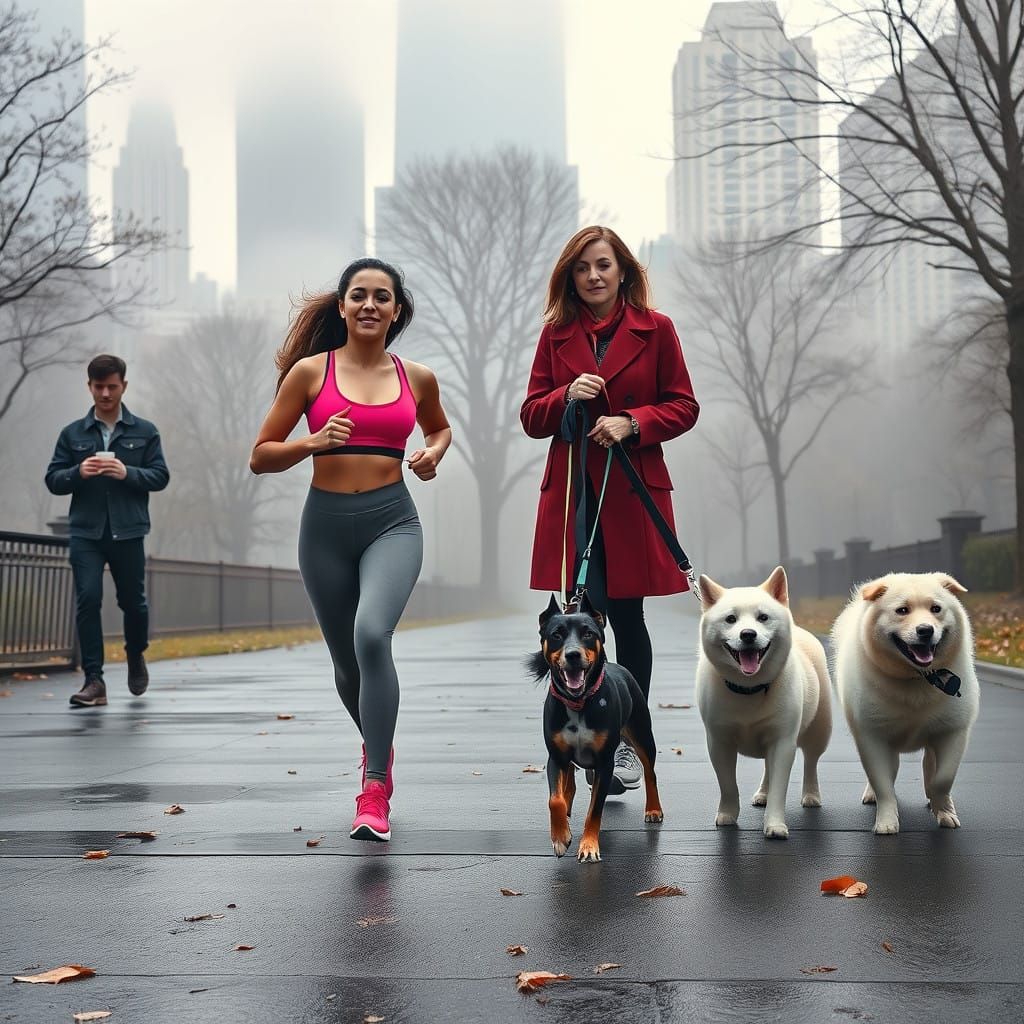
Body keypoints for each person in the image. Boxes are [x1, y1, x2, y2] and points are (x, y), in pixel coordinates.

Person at [250, 257, 451, 843]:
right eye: (358, 295)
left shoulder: (417, 377)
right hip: (325, 530)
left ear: (396, 311)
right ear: (341, 306)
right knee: (345, 664)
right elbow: (261, 454)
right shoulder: (311, 374)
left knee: (371, 636)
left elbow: (439, 428)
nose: (369, 305)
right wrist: (313, 440)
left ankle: (375, 785)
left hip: (393, 523)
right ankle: (377, 739)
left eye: (382, 297)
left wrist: (433, 453)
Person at [520, 225, 700, 793]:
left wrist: (634, 422)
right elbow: (531, 415)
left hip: (632, 490)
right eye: (582, 268)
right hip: (576, 493)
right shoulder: (555, 335)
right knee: (586, 613)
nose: (593, 276)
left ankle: (625, 740)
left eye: (603, 265)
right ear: (570, 277)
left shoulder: (658, 329)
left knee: (628, 619)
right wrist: (563, 395)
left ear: (623, 270)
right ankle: (582, 730)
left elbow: (684, 405)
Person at [45, 354, 170, 708]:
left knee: (133, 603)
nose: (104, 394)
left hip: (128, 531)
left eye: (111, 386)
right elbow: (53, 479)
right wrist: (78, 471)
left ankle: (135, 655)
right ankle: (94, 680)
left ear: (123, 386)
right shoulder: (72, 434)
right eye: (98, 387)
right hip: (85, 532)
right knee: (88, 598)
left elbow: (160, 476)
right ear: (89, 387)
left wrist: (126, 472)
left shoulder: (145, 431)